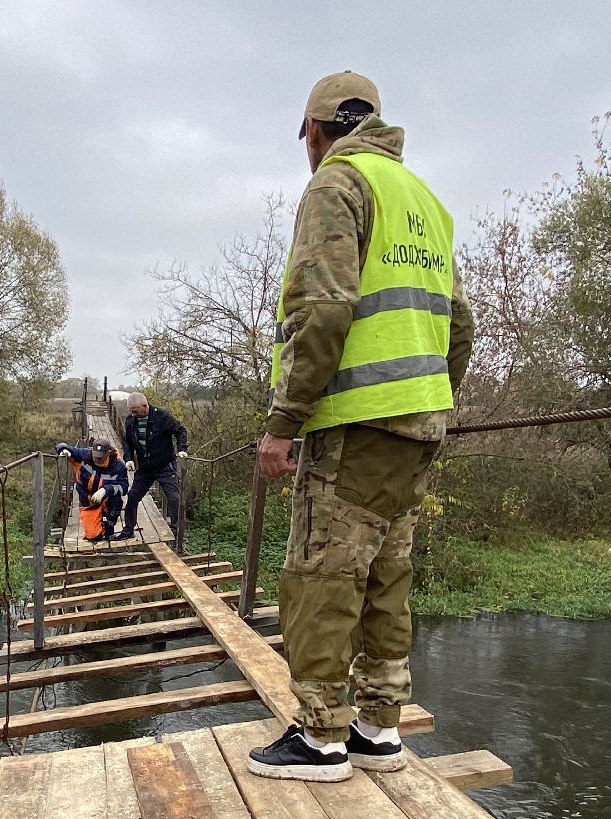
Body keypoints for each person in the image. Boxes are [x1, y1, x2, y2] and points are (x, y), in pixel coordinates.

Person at [247, 71, 474, 782]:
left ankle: (318, 737)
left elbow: (326, 308)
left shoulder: (337, 187)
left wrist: (285, 422)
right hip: (418, 428)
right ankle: (379, 728)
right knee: (387, 574)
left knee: (323, 572)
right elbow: (460, 327)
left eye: (306, 138)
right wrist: (430, 399)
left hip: (351, 427)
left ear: (316, 131)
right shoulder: (424, 200)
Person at [119, 392, 189, 541]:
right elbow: (128, 443)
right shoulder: (130, 421)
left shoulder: (162, 417)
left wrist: (182, 449)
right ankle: (128, 530)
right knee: (132, 497)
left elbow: (180, 430)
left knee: (174, 498)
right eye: (131, 411)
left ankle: (178, 533)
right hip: (145, 468)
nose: (133, 414)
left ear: (145, 406)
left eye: (135, 411)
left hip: (165, 465)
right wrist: (129, 458)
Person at [56, 438, 129, 542]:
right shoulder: (85, 456)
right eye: (95, 457)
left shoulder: (118, 466)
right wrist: (63, 450)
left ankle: (109, 528)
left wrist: (105, 490)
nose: (97, 460)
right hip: (88, 502)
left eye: (101, 458)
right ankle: (99, 529)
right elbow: (62, 445)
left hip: (106, 500)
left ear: (108, 454)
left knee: (116, 500)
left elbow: (124, 487)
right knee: (94, 536)